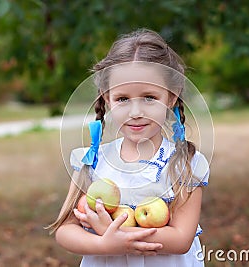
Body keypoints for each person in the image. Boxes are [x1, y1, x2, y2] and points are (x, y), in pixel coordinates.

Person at [47, 28, 210, 267]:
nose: (135, 113)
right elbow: (65, 229)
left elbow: (181, 238)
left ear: (171, 97)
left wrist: (116, 232)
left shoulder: (184, 162)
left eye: (149, 97)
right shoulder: (94, 161)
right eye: (122, 99)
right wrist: (104, 244)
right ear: (106, 99)